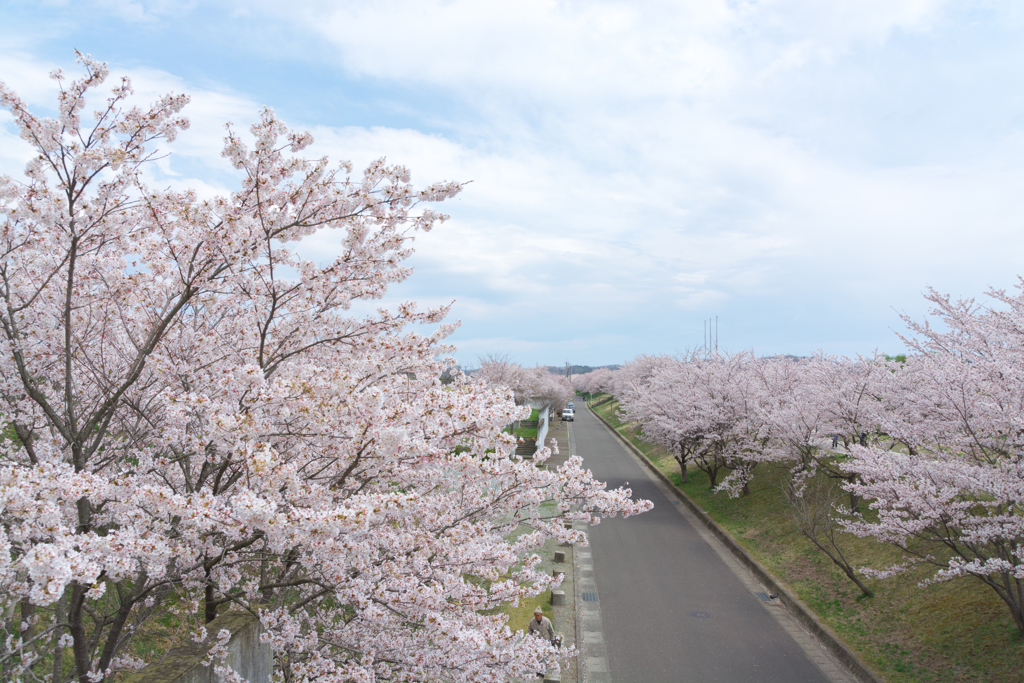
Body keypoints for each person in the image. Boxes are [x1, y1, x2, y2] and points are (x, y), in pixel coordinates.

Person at [528, 607, 556, 678]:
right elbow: (529, 630)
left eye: (538, 615)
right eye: (536, 615)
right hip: (537, 642)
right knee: (538, 657)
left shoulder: (547, 621)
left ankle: (544, 671)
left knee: (546, 657)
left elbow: (552, 632)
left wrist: (552, 640)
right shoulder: (532, 621)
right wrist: (531, 638)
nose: (537, 617)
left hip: (546, 641)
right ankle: (538, 670)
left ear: (541, 615)